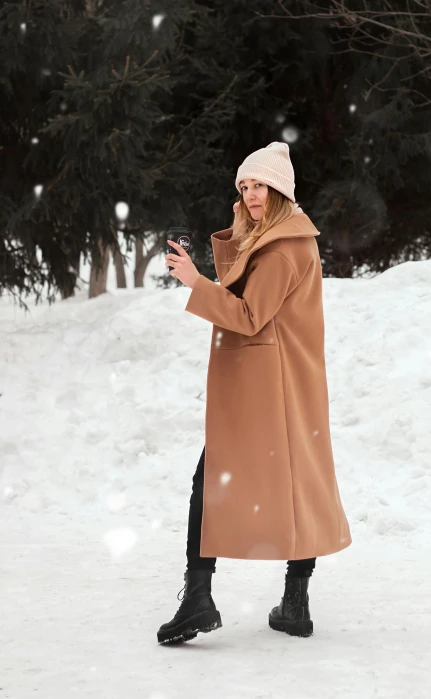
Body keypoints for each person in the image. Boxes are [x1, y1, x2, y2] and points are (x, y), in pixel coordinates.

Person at [157, 142, 351, 645]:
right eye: (243, 187)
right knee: (297, 483)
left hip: (271, 385)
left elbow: (247, 314)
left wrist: (196, 282)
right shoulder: (282, 241)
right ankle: (294, 603)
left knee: (211, 476)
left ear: (279, 189)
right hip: (283, 382)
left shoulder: (286, 248)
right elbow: (244, 289)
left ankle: (199, 596)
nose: (249, 194)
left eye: (258, 185)